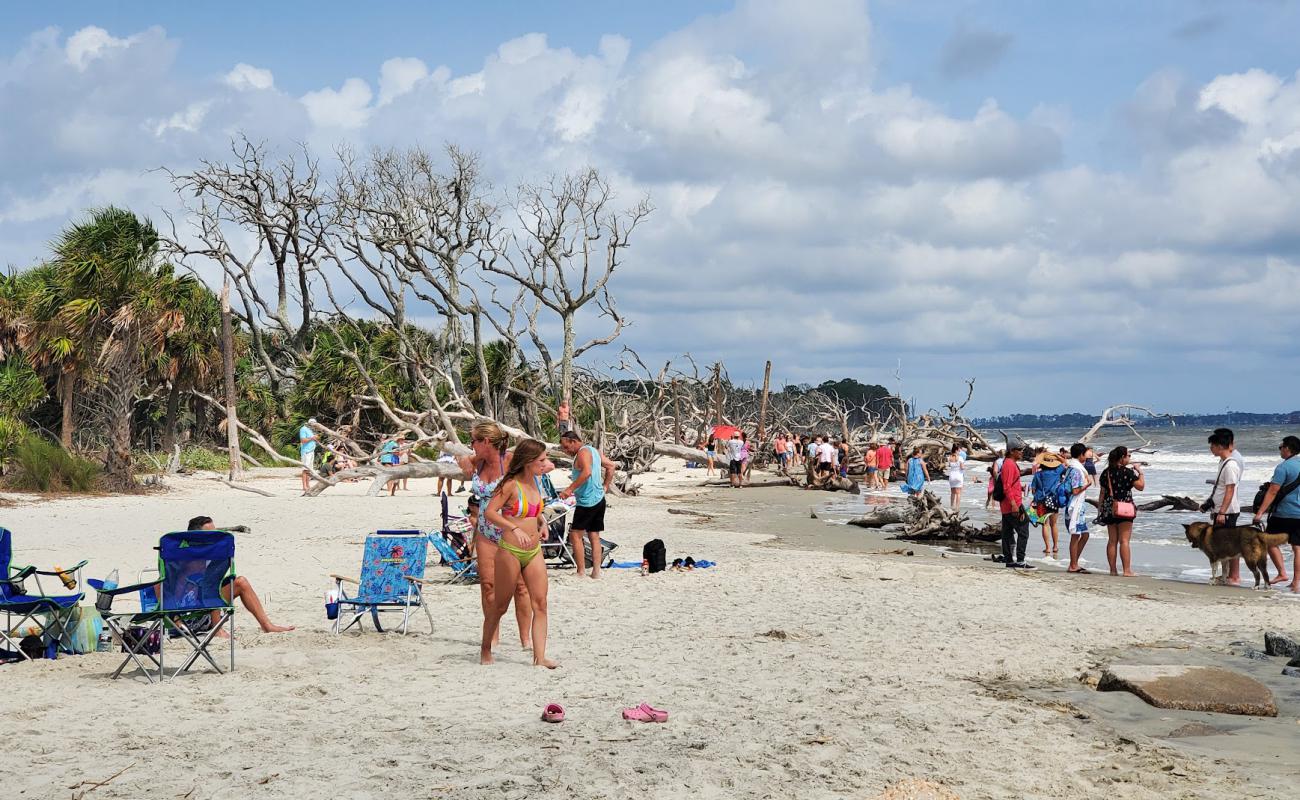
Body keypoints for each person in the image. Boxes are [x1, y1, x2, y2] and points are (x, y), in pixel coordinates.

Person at [480, 439, 557, 668]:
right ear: (528, 462)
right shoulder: (511, 485)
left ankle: (539, 657)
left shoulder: (536, 482)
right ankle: (485, 649)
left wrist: (542, 523)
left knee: (540, 603)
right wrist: (512, 528)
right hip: (510, 550)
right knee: (500, 605)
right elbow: (490, 513)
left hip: (533, 550)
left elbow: (535, 512)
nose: (545, 464)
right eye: (541, 460)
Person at [456, 422, 533, 650]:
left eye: (474, 441)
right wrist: (469, 460)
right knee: (488, 585)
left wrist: (538, 520)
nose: (471, 446)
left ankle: (525, 638)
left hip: (512, 529)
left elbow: (531, 488)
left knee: (520, 586)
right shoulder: (477, 462)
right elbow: (462, 464)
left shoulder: (510, 461)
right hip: (485, 531)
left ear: (486, 442)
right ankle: (493, 634)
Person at [186, 516, 294, 634]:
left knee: (241, 582)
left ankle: (267, 626)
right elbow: (166, 587)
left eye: (215, 533)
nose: (215, 537)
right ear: (196, 536)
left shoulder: (213, 553)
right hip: (190, 616)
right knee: (209, 582)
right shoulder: (183, 556)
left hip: (208, 608)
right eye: (210, 534)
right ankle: (218, 630)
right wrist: (176, 621)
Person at [559, 430, 617, 578]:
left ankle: (581, 571)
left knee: (575, 535)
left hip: (587, 501)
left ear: (573, 441)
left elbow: (587, 472)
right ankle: (596, 571)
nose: (566, 451)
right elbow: (611, 466)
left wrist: (569, 489)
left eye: (566, 447)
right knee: (594, 535)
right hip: (598, 498)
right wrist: (605, 486)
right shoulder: (593, 451)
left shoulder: (583, 452)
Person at [1251, 434, 1300, 592]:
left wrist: (1259, 513)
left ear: (1287, 449)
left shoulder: (1283, 467)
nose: (1280, 450)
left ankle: (1282, 573)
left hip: (1284, 513)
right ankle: (1296, 582)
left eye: (1281, 447)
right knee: (1298, 548)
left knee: (1268, 541)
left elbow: (1272, 492)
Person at [1206, 428, 1246, 584]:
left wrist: (1222, 512)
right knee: (1221, 545)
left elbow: (1230, 490)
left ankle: (1230, 577)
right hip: (1221, 510)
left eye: (1212, 446)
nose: (1211, 449)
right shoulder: (1223, 462)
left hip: (1227, 512)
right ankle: (1226, 576)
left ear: (1220, 446)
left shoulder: (1231, 465)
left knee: (1226, 546)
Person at [1097, 445, 1144, 577]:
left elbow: (1102, 493)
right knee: (1124, 541)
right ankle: (1127, 570)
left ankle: (1113, 570)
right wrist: (1140, 472)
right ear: (1122, 457)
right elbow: (1141, 486)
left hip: (1109, 507)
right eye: (1128, 455)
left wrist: (1100, 510)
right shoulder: (1127, 472)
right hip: (1125, 508)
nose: (1129, 458)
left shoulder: (1105, 473)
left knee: (1112, 540)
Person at [998, 438, 1032, 569]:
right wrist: (1014, 504)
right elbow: (1006, 486)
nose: (1022, 452)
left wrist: (1021, 488)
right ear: (1012, 451)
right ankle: (1020, 560)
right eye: (1020, 450)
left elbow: (1010, 484)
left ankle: (1009, 560)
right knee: (1023, 530)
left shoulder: (1008, 463)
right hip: (1012, 504)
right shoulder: (1009, 464)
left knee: (1007, 532)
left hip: (1008, 503)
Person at [1030, 450, 1068, 558]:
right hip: (1053, 500)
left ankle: (1047, 548)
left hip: (1041, 501)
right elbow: (1066, 463)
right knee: (1054, 524)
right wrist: (1057, 455)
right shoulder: (1057, 471)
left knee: (1045, 525)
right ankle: (1055, 546)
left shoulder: (1038, 474)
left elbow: (1033, 490)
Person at [1064, 443, 1094, 573]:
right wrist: (1087, 485)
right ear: (1081, 454)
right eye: (1085, 453)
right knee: (1076, 535)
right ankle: (1073, 564)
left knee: (1084, 534)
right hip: (1074, 506)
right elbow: (1075, 491)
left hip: (1077, 506)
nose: (1087, 456)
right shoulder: (1076, 470)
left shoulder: (1073, 467)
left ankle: (1074, 562)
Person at [298, 419, 319, 493]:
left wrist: (315, 438)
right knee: (305, 469)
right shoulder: (303, 429)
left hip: (311, 451)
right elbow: (303, 440)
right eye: (314, 424)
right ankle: (304, 486)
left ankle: (308, 485)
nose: (315, 426)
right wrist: (312, 438)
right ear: (310, 423)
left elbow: (313, 439)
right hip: (306, 452)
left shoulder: (311, 430)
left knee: (310, 470)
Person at [945, 444, 964, 508]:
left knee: (953, 492)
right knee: (958, 493)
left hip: (952, 476)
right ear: (956, 450)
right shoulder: (960, 458)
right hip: (959, 475)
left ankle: (951, 506)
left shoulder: (949, 457)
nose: (959, 451)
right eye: (959, 450)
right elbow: (962, 467)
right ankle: (957, 507)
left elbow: (949, 466)